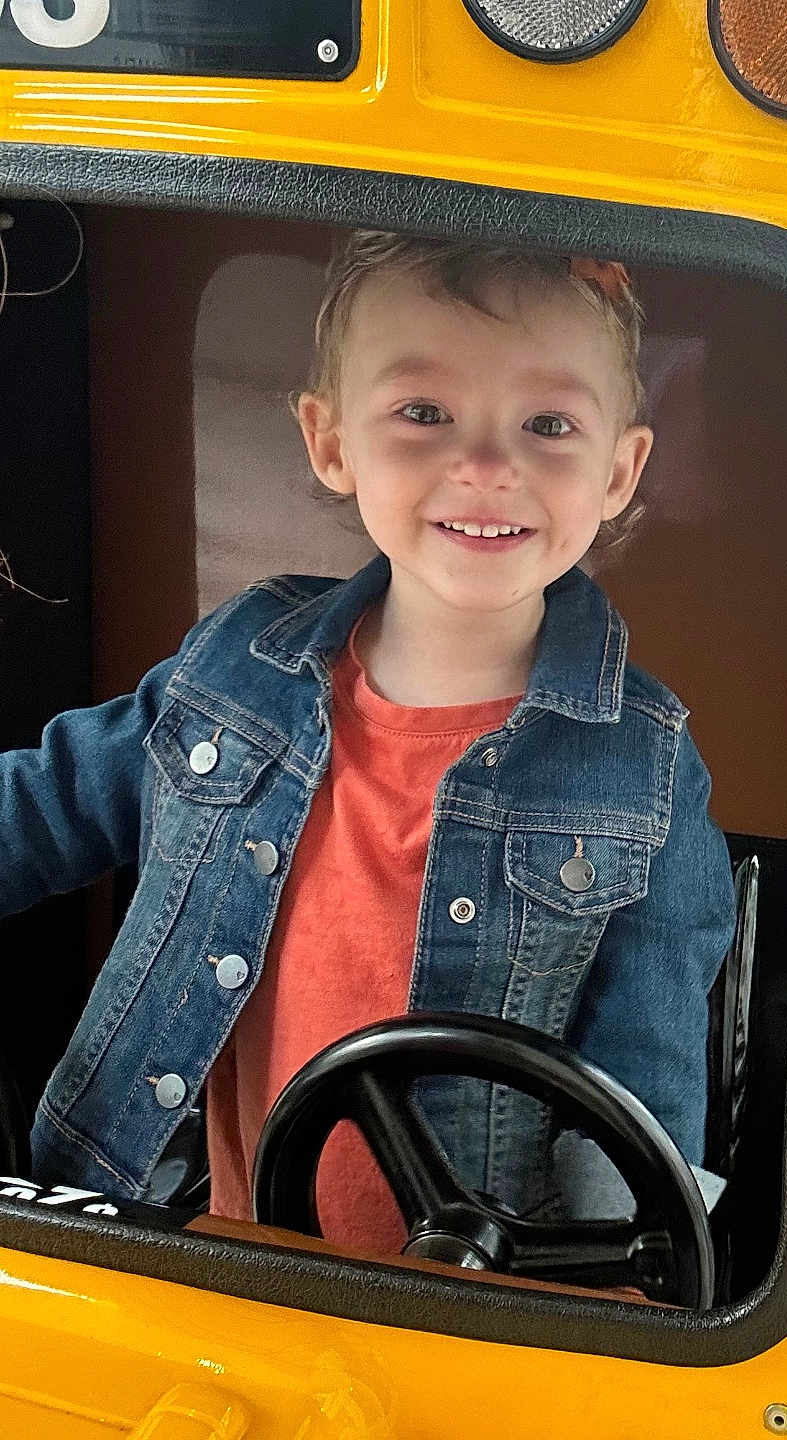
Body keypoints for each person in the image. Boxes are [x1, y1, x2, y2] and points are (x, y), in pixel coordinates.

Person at [0, 231, 737, 1253]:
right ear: (331, 441)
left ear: (620, 471)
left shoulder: (643, 769)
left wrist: (604, 1305)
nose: (486, 464)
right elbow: (45, 805)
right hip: (202, 1247)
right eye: (424, 413)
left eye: (549, 423)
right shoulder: (236, 669)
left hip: (463, 1294)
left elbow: (643, 1081)